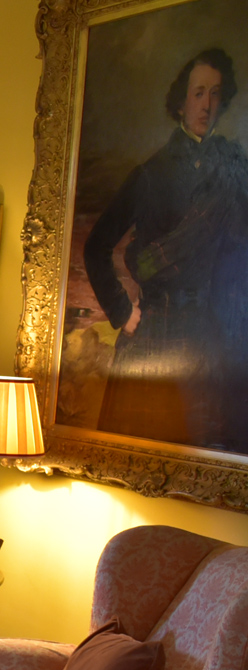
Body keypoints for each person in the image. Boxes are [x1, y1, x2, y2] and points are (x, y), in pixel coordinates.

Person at [82, 47, 248, 450]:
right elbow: (96, 246)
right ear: (180, 103)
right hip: (156, 336)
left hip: (211, 339)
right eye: (198, 93)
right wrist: (123, 312)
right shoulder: (152, 174)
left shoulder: (234, 170)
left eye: (215, 93)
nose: (206, 105)